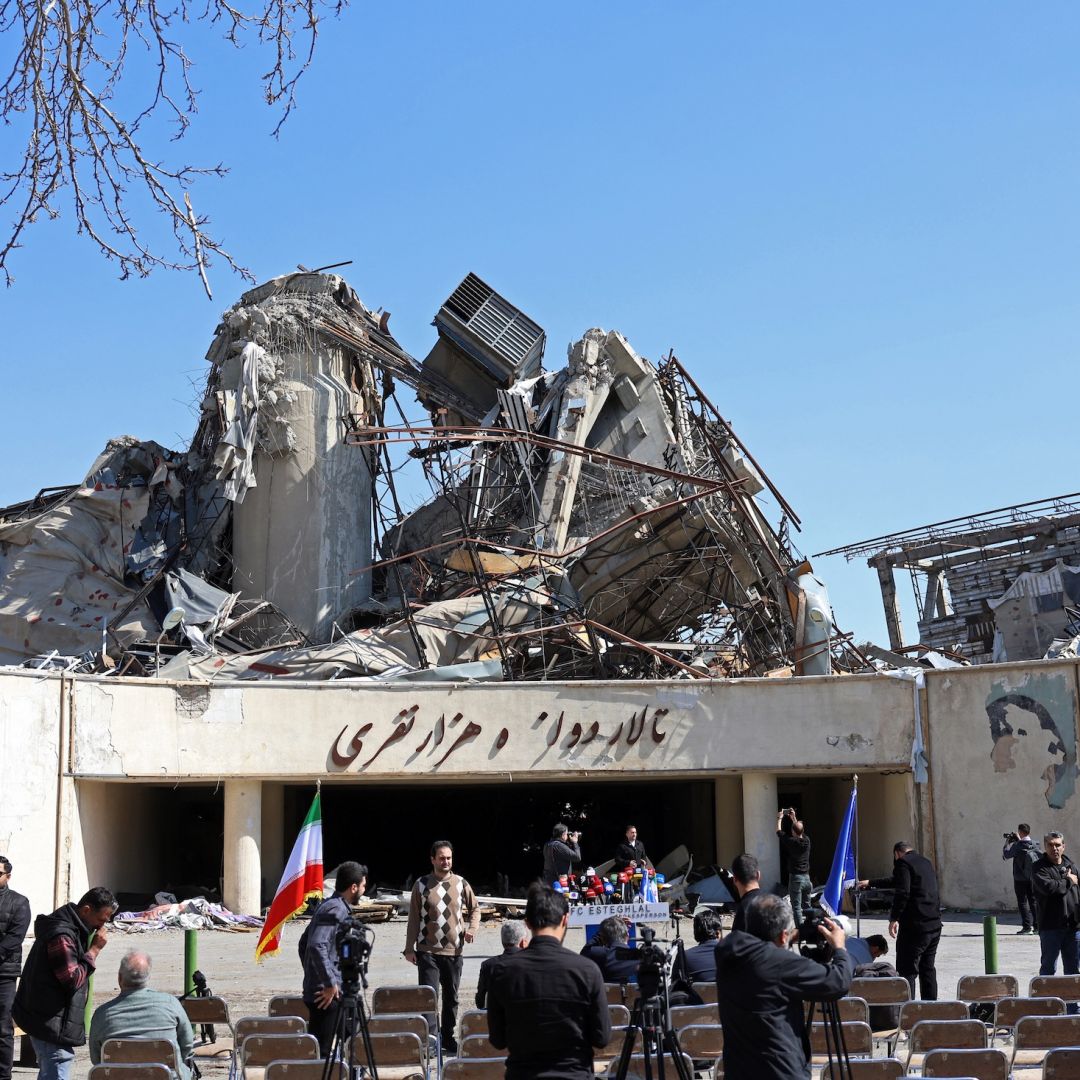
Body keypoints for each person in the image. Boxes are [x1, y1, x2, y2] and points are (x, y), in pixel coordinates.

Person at [715, 893, 851, 1079]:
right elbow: (838, 982)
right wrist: (839, 948)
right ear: (782, 936)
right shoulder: (781, 964)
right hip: (780, 1071)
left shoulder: (727, 953)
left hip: (739, 1070)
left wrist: (789, 937)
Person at [487, 884, 611, 1079]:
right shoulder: (587, 970)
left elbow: (498, 1040)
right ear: (565, 919)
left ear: (527, 923)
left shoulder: (502, 971)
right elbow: (602, 1038)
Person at [12, 886, 117, 1080]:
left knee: (51, 1069)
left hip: (49, 1019)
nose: (102, 927)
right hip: (49, 1021)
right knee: (57, 1065)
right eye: (101, 919)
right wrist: (94, 951)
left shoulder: (73, 929)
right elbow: (72, 978)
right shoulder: (62, 935)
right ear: (86, 910)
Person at [403, 840, 479, 1055]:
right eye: (442, 858)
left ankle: (448, 1037)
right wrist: (409, 948)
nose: (446, 861)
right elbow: (413, 919)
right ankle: (431, 1040)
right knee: (428, 997)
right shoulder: (421, 884)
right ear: (433, 859)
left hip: (454, 951)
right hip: (427, 951)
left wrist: (472, 929)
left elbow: (476, 910)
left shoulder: (461, 883)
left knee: (452, 997)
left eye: (449, 858)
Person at [89, 951, 194, 1080]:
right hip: (166, 1076)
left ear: (119, 978)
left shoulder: (103, 1014)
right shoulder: (171, 1003)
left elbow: (96, 1058)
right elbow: (188, 1044)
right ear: (147, 977)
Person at [300, 861, 368, 1055]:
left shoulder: (330, 906)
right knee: (322, 1055)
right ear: (353, 887)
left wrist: (315, 974)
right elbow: (314, 944)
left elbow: (304, 944)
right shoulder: (335, 909)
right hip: (327, 996)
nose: (363, 891)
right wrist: (327, 981)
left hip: (336, 991)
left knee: (353, 1046)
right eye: (363, 886)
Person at [859, 841, 942, 999]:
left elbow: (903, 892)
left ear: (897, 853)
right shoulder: (925, 862)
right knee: (927, 968)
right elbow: (897, 880)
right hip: (934, 924)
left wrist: (894, 918)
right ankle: (931, 1008)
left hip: (915, 926)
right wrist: (871, 883)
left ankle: (907, 1011)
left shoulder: (903, 862)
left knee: (906, 970)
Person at [1031, 831, 1079, 976]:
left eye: (1058, 845)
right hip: (1050, 927)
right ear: (1045, 847)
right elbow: (1051, 888)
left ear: (1063, 846)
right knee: (1048, 969)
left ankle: (1072, 999)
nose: (1054, 848)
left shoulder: (1071, 866)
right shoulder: (1039, 868)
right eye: (1050, 845)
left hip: (1073, 926)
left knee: (1073, 970)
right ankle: (1046, 999)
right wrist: (1069, 880)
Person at [0, 856, 30, 1080]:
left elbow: (14, 939)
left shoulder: (19, 903)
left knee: (3, 1029)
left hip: (4, 974)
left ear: (8, 876)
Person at [475, 921, 528, 1009]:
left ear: (502, 941)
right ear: (523, 942)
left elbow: (480, 1001)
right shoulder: (531, 964)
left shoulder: (488, 965)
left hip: (497, 1020)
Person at [1003, 823, 1041, 934]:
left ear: (1020, 831)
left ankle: (1026, 927)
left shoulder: (1017, 845)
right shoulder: (1035, 844)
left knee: (1022, 903)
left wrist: (1007, 842)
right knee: (1033, 901)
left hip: (1020, 878)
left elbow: (1006, 855)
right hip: (1032, 877)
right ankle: (1037, 927)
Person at [578, 916, 637, 983]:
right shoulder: (638, 957)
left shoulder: (599, 954)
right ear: (628, 936)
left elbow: (584, 953)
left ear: (603, 939)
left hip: (606, 992)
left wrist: (599, 935)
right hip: (632, 993)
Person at [776, 809, 812, 917]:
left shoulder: (792, 842)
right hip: (807, 878)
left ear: (792, 832)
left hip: (796, 879)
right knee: (807, 906)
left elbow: (778, 831)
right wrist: (794, 818)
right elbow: (799, 831)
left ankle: (800, 930)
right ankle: (809, 928)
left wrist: (779, 818)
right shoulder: (807, 841)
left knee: (796, 908)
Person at [684, 907, 722, 983]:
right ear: (718, 934)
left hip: (696, 994)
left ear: (696, 933)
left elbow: (676, 985)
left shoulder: (685, 956)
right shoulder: (734, 954)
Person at [730, 853, 763, 932]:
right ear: (758, 875)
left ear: (734, 879)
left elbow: (736, 943)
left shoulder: (744, 910)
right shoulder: (777, 903)